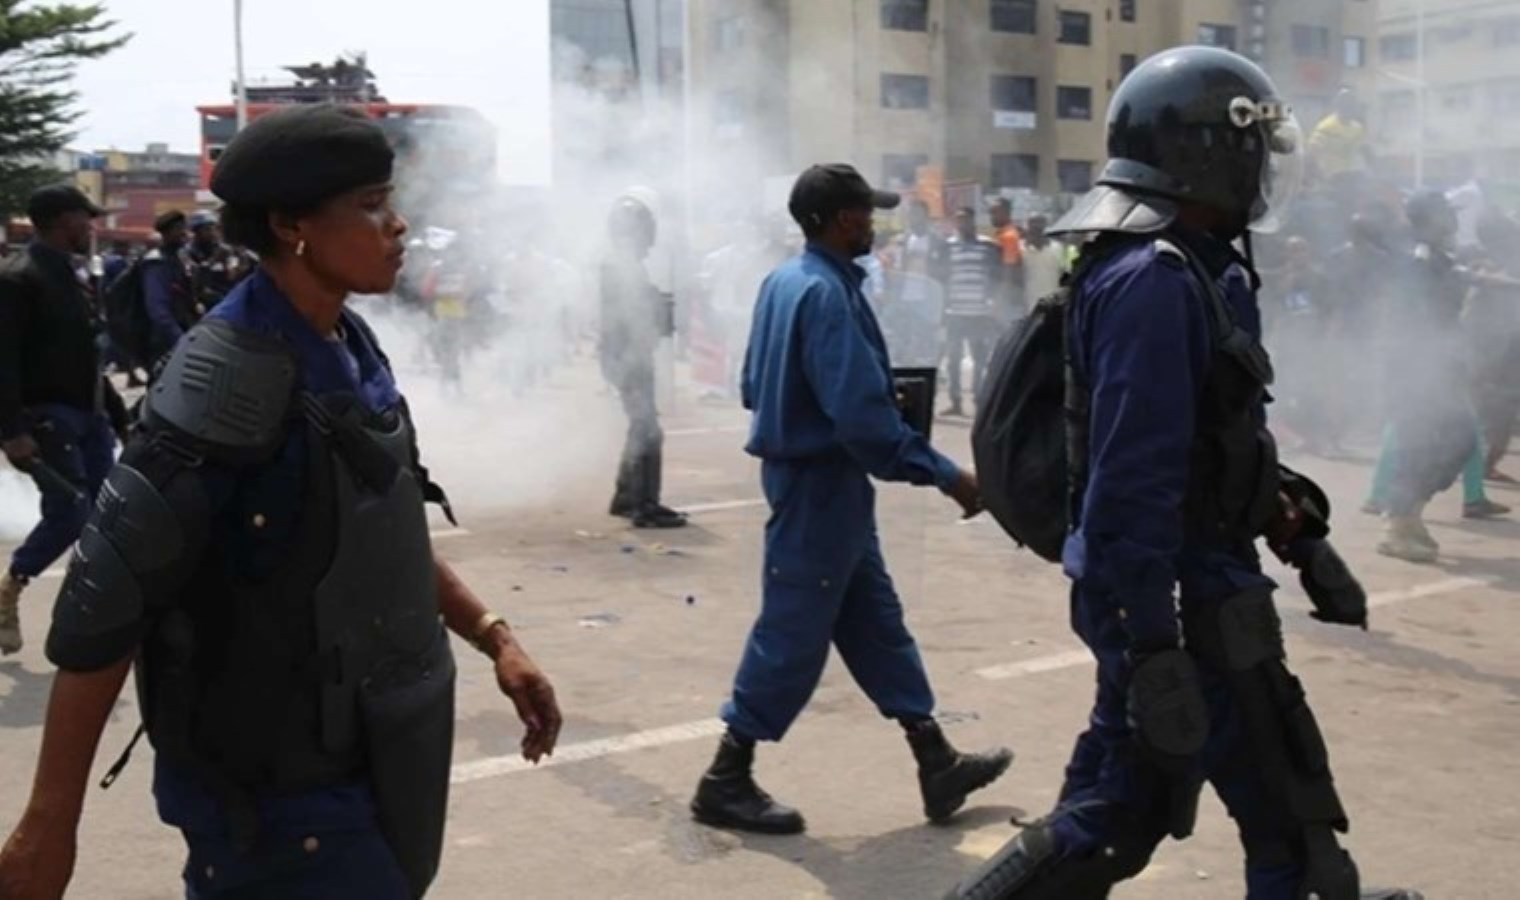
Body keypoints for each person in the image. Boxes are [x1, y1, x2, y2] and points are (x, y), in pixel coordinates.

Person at [0, 104, 562, 900]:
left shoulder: (346, 342)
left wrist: (491, 634)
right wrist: (48, 824)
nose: (397, 225)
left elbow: (375, 523)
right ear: (292, 224)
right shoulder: (225, 383)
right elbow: (107, 600)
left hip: (365, 764)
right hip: (272, 803)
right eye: (370, 205)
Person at [945, 47, 1420, 900]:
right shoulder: (1152, 280)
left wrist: (1296, 531)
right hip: (1174, 588)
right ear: (1207, 151)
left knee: (1245, 796)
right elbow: (1132, 476)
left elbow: (1215, 435)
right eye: (1252, 148)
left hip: (1195, 575)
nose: (1264, 171)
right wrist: (1150, 642)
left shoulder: (1192, 263)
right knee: (1136, 813)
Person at [691, 163, 1012, 836]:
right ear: (842, 220)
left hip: (816, 480)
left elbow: (754, 384)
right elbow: (864, 425)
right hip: (819, 484)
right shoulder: (829, 296)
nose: (877, 223)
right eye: (868, 213)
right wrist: (948, 475)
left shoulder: (786, 282)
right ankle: (725, 777)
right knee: (792, 629)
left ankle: (935, 758)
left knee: (876, 623)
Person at [0, 185, 129, 655]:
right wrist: (11, 431)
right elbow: (4, 361)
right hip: (46, 416)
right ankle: (12, 586)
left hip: (88, 414)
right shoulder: (18, 279)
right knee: (71, 511)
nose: (91, 227)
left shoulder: (75, 278)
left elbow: (87, 355)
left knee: (105, 513)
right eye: (84, 218)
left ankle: (94, 609)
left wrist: (117, 415)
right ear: (59, 221)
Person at [1367, 190, 1506, 563]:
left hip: (1437, 361)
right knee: (1425, 441)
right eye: (1446, 212)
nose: (1454, 219)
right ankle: (1397, 523)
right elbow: (1417, 313)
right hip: (1417, 364)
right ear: (1429, 218)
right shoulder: (1419, 258)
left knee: (1456, 439)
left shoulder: (1439, 257)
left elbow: (1468, 279)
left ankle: (1408, 517)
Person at [600, 190, 686, 529]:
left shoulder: (622, 264)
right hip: (628, 356)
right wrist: (657, 308)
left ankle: (625, 497)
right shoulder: (621, 267)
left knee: (641, 425)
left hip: (627, 355)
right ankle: (643, 505)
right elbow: (628, 316)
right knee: (647, 430)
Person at [941, 206, 1003, 416]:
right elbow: (942, 277)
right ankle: (955, 401)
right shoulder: (948, 246)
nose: (962, 224)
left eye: (966, 220)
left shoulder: (988, 246)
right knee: (954, 359)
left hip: (980, 312)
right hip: (955, 311)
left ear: (973, 221)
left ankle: (979, 400)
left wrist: (994, 302)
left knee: (980, 359)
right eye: (959, 220)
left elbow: (997, 276)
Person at [143, 209, 195, 362]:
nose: (184, 233)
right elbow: (158, 309)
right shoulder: (156, 262)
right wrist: (179, 339)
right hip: (165, 340)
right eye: (179, 229)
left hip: (184, 330)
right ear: (166, 233)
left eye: (184, 228)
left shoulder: (180, 258)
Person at [183, 209, 253, 313]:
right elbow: (194, 279)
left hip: (225, 298)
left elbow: (232, 275)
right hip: (200, 303)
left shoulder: (224, 249)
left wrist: (241, 263)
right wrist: (213, 260)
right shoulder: (187, 252)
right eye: (207, 229)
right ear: (196, 231)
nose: (212, 232)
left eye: (214, 228)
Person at [989, 197, 1025, 317]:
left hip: (1008, 298)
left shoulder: (1009, 236)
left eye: (995, 212)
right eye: (990, 212)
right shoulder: (1002, 234)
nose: (991, 216)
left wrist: (999, 299)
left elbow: (1008, 270)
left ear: (1006, 213)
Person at [1019, 213, 1066, 305]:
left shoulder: (1057, 248)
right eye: (1032, 225)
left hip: (1052, 304)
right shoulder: (1019, 248)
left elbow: (1063, 274)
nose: (1036, 228)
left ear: (1045, 227)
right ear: (1027, 227)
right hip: (1028, 305)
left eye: (1039, 225)